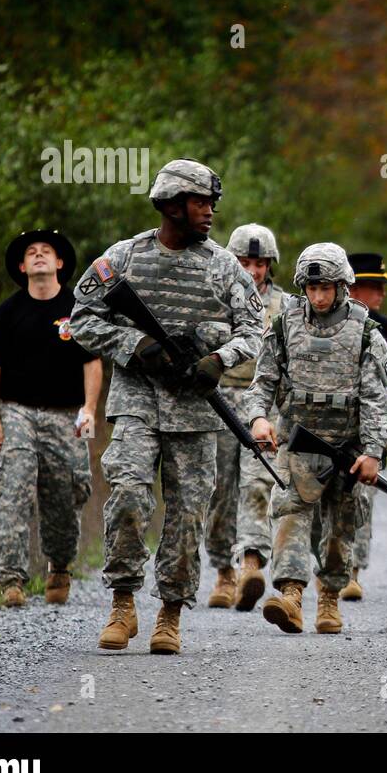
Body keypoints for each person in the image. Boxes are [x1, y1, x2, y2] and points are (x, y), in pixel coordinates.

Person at [71, 159, 262, 654]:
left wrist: (218, 359)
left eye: (213, 203)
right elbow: (81, 319)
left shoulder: (223, 266)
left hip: (196, 412)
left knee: (187, 516)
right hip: (136, 401)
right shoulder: (125, 257)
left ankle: (170, 615)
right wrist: (135, 345)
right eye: (202, 202)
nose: (211, 212)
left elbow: (255, 329)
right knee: (129, 496)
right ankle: (122, 604)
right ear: (173, 204)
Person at [246, 243, 387, 635]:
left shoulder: (365, 332)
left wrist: (374, 452)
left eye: (327, 288)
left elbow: (376, 400)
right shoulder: (285, 324)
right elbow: (263, 381)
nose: (319, 297)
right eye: (312, 289)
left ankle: (329, 596)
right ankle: (291, 596)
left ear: (343, 286)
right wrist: (259, 418)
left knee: (340, 526)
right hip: (298, 442)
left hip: (348, 446)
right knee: (291, 514)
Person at [0, 229, 99, 608]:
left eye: (46, 251)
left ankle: (60, 565)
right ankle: (11, 580)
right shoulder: (7, 313)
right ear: (21, 265)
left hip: (66, 415)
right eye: (30, 252)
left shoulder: (78, 311)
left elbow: (92, 362)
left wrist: (90, 410)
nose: (38, 256)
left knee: (65, 495)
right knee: (11, 488)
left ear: (60, 262)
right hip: (16, 412)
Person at [201, 223, 287, 611]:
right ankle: (223, 570)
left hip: (263, 405)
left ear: (271, 266)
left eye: (259, 263)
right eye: (244, 262)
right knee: (219, 488)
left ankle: (251, 562)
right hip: (218, 400)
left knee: (257, 484)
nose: (252, 271)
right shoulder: (213, 299)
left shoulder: (286, 308)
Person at [341, 252, 387, 601]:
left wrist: (365, 370)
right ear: (355, 288)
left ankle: (353, 571)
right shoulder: (328, 322)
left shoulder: (385, 327)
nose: (381, 294)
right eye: (375, 286)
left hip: (368, 424)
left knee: (361, 497)